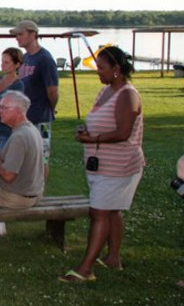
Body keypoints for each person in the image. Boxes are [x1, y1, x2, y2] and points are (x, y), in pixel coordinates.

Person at [60, 46, 143, 283]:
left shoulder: (128, 95)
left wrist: (93, 139)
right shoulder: (105, 92)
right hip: (101, 163)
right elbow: (101, 122)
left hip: (120, 165)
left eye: (102, 68)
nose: (98, 72)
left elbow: (123, 133)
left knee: (99, 212)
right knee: (112, 210)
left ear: (117, 69)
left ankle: (86, 269)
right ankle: (113, 258)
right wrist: (86, 131)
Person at [0, 91, 45, 237]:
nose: (0, 111)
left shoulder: (19, 136)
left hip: (19, 197)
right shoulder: (31, 129)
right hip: (33, 192)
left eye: (4, 108)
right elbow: (9, 159)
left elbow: (7, 176)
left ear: (18, 111)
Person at [11, 20, 58, 176]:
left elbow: (52, 91)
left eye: (20, 34)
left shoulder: (44, 59)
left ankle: (40, 191)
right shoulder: (26, 58)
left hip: (41, 117)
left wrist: (50, 108)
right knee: (27, 157)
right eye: (16, 35)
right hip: (25, 118)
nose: (17, 38)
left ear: (33, 34)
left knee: (42, 157)